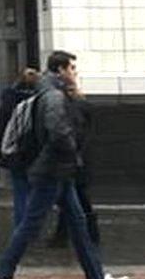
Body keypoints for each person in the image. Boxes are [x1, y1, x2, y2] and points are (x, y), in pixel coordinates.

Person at [0, 51, 127, 279]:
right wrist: (72, 150)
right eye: (72, 68)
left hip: (60, 171)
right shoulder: (54, 96)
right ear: (60, 70)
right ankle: (3, 272)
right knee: (30, 225)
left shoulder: (53, 92)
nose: (75, 73)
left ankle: (96, 274)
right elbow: (57, 131)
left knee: (79, 226)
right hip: (52, 171)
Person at [49, 83, 100, 247]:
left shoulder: (73, 109)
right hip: (79, 160)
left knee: (74, 198)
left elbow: (75, 135)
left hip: (74, 161)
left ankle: (67, 236)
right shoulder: (83, 107)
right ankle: (84, 234)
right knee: (74, 198)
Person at [0, 67, 40, 228]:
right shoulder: (42, 99)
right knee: (38, 192)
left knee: (20, 192)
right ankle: (33, 227)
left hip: (16, 151)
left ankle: (21, 228)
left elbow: (2, 125)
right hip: (36, 152)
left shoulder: (10, 99)